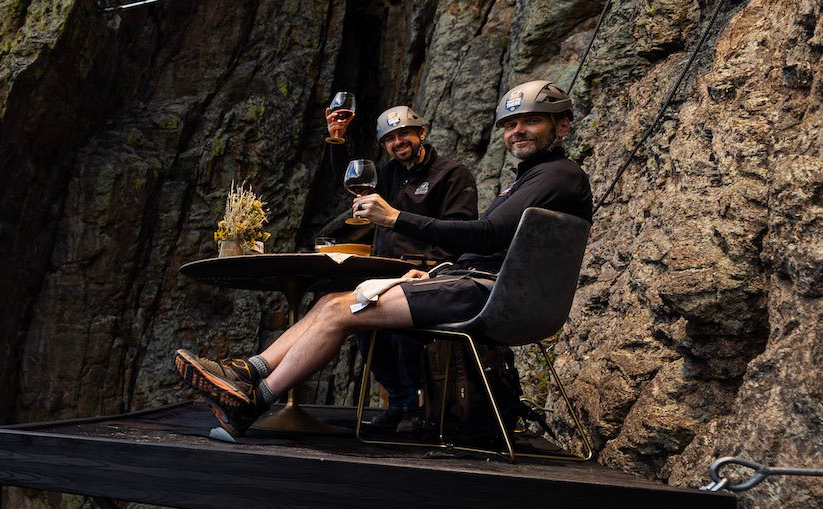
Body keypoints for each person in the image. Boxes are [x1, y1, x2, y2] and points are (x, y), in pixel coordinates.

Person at [176, 80, 592, 438]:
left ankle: (252, 402)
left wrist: (397, 221)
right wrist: (438, 271)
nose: (518, 130)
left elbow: (486, 235)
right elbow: (488, 242)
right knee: (333, 301)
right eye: (511, 124)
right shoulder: (538, 177)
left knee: (343, 310)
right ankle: (249, 373)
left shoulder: (557, 174)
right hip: (474, 282)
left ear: (563, 126)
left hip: (489, 294)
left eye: (531, 121)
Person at [330, 104, 478, 427]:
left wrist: (433, 267)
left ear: (421, 134)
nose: (398, 142)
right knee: (360, 321)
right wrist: (338, 142)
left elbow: (461, 233)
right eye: (390, 138)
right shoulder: (386, 175)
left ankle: (414, 405)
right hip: (386, 275)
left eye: (404, 134)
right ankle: (399, 401)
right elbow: (352, 181)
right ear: (384, 145)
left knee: (398, 329)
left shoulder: (453, 175)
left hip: (433, 276)